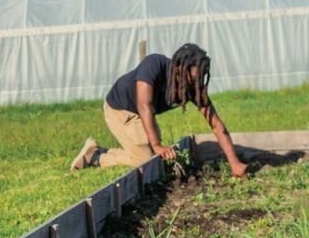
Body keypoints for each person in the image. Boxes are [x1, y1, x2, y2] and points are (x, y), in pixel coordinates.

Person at [70, 43, 248, 177]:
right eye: (192, 77)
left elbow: (217, 126)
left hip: (142, 114)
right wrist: (156, 145)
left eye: (198, 78)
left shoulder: (192, 87)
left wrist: (235, 164)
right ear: (179, 68)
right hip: (120, 109)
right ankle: (95, 157)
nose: (194, 83)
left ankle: (101, 153)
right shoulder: (154, 64)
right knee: (145, 160)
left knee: (156, 161)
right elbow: (143, 105)